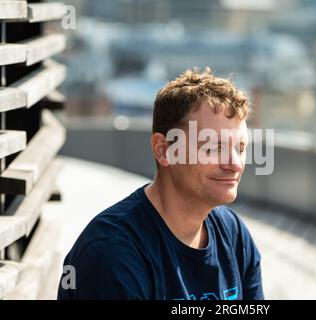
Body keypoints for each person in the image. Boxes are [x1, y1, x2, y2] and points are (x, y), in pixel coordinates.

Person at [57, 68, 264, 300]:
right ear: (164, 150)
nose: (235, 164)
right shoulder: (111, 252)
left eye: (240, 148)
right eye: (214, 147)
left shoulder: (234, 235)